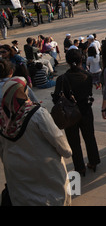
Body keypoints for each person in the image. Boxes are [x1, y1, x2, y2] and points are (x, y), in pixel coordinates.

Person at [0, 77, 72, 206]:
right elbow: (57, 138)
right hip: (43, 169)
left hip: (16, 171)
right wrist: (67, 151)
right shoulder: (37, 113)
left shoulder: (3, 117)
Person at [52, 49, 100, 176]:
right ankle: (93, 161)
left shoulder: (62, 79)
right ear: (81, 60)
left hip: (70, 115)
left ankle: (79, 167)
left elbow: (57, 98)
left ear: (67, 61)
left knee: (74, 142)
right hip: (85, 111)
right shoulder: (87, 76)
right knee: (90, 137)